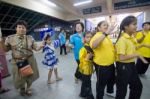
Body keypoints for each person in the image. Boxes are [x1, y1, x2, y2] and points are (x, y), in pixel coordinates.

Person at [0, 20, 43, 96]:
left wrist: (41, 46)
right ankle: (22, 88)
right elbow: (5, 50)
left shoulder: (30, 38)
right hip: (17, 61)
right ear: (16, 28)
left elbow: (36, 48)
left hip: (30, 60)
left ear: (26, 29)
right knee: (19, 77)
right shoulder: (10, 38)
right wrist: (1, 42)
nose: (21, 29)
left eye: (23, 27)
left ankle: (28, 88)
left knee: (30, 76)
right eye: (19, 27)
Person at [115, 16, 148, 99]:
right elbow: (121, 57)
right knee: (122, 91)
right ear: (126, 26)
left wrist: (143, 45)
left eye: (136, 24)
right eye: (134, 24)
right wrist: (136, 55)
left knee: (137, 86)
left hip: (131, 65)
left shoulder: (131, 37)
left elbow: (132, 48)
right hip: (123, 66)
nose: (136, 26)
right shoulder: (122, 40)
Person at [90, 21, 116, 99]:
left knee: (111, 80)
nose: (107, 26)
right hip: (102, 65)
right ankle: (99, 96)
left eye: (107, 25)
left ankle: (109, 92)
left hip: (111, 63)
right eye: (104, 25)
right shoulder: (97, 36)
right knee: (101, 83)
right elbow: (94, 45)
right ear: (99, 28)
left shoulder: (106, 36)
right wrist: (105, 33)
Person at [79, 32, 94, 99]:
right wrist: (87, 59)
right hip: (85, 69)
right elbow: (81, 60)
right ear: (84, 38)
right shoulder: (83, 48)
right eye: (87, 37)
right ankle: (89, 96)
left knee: (85, 82)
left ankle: (82, 93)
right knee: (88, 82)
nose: (89, 38)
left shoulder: (91, 47)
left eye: (91, 37)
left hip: (89, 68)